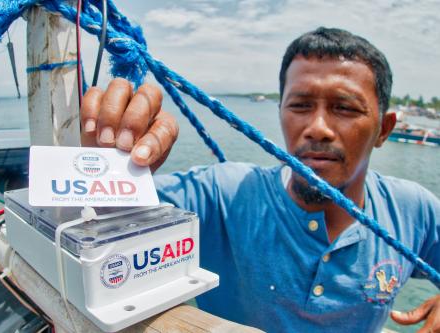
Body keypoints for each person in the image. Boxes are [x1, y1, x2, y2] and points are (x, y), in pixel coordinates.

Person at [80, 27, 440, 333]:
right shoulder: (221, 195)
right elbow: (90, 222)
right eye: (300, 105)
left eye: (345, 108)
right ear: (281, 111)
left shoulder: (412, 210)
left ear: (384, 129)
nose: (317, 127)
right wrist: (113, 167)